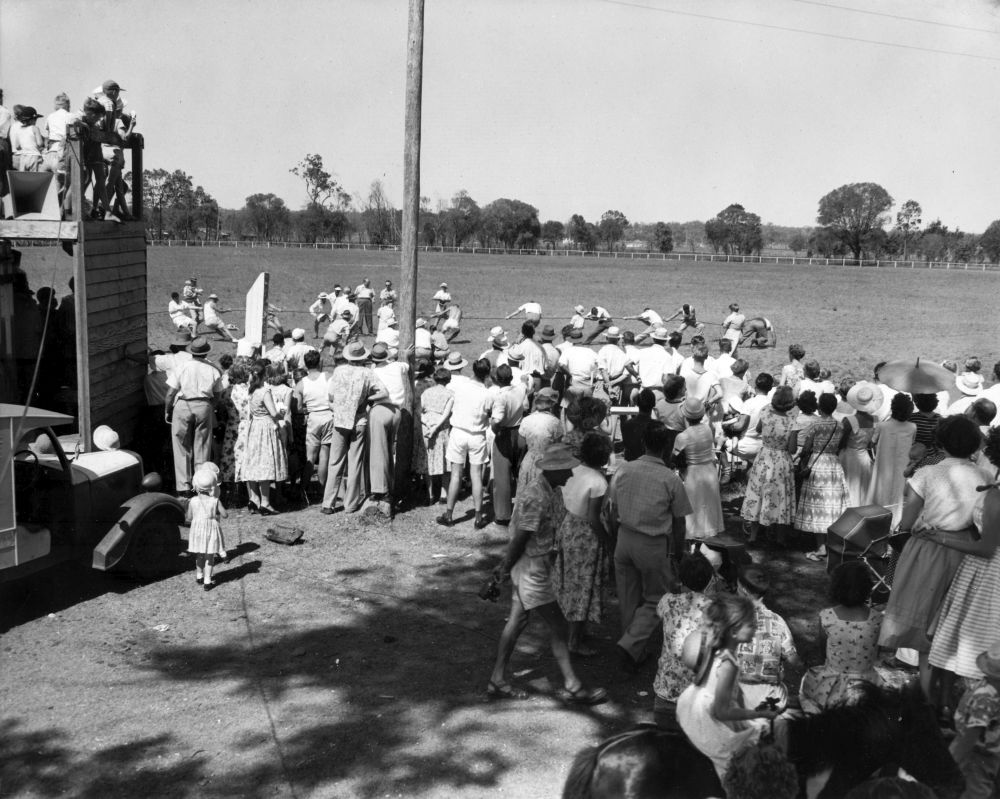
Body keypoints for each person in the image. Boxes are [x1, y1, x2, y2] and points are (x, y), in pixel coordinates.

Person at [487, 443, 608, 705]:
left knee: (518, 621)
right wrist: (505, 568)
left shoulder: (550, 490)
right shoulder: (537, 496)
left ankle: (497, 679)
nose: (570, 474)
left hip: (533, 564)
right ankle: (573, 685)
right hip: (532, 568)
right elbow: (521, 537)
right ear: (554, 471)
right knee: (559, 625)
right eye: (567, 470)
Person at [880, 415, 988, 702]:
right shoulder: (985, 477)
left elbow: (907, 522)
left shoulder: (927, 474)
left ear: (941, 442)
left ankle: (928, 699)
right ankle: (944, 698)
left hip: (929, 547)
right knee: (951, 625)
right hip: (968, 551)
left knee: (926, 624)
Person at [607, 421, 692, 671]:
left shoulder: (624, 470)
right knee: (658, 598)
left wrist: (615, 538)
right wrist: (678, 551)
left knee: (627, 595)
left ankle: (632, 645)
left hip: (624, 538)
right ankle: (631, 644)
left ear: (644, 443)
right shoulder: (670, 479)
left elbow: (612, 511)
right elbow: (679, 522)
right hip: (652, 544)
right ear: (666, 447)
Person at [928, 428, 1000, 708]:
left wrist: (939, 537)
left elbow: (986, 548)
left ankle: (957, 709)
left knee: (964, 641)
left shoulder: (996, 496)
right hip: (983, 570)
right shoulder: (992, 489)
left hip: (987, 573)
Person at [676, 593, 778, 781]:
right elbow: (721, 712)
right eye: (751, 625)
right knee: (739, 770)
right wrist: (757, 715)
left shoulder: (715, 648)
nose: (756, 628)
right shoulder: (728, 664)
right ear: (733, 631)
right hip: (709, 719)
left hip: (693, 704)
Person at [555, 432, 612, 656]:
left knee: (570, 582)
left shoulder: (574, 470)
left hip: (568, 527)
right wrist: (608, 541)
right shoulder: (598, 481)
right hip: (586, 536)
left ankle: (576, 632)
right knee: (583, 586)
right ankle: (574, 640)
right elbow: (593, 517)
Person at [800, 562, 884, 713]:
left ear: (836, 587)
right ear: (867, 588)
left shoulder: (827, 617)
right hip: (867, 684)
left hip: (832, 683)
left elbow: (823, 652)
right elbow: (877, 652)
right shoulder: (877, 619)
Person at [322, 341, 388, 514]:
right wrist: (368, 398)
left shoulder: (338, 371)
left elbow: (330, 395)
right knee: (355, 462)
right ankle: (350, 504)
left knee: (335, 462)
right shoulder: (367, 373)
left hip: (340, 420)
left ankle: (327, 503)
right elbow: (384, 392)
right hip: (359, 421)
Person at [653, 552, 717, 731]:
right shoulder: (714, 610)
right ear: (710, 580)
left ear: (680, 578)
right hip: (696, 698)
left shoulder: (667, 600)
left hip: (665, 692)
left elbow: (660, 614)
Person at [735, 566, 801, 713]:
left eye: (737, 586)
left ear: (744, 590)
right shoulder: (778, 622)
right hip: (769, 698)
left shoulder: (732, 620)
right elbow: (793, 660)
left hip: (737, 695)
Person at [437, 357, 493, 529]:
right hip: (477, 435)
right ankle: (478, 516)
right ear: (487, 373)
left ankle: (449, 514)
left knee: (455, 474)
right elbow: (489, 413)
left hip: (459, 433)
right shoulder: (487, 393)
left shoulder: (460, 387)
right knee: (476, 475)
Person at [793, 392, 850, 561]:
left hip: (817, 464)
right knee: (831, 503)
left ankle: (820, 547)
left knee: (817, 505)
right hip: (833, 464)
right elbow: (840, 445)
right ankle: (830, 543)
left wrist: (801, 457)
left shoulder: (816, 424)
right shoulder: (840, 425)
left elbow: (807, 447)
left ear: (819, 406)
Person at [164, 337, 223, 496]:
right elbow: (218, 393)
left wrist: (168, 410)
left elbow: (170, 393)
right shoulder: (213, 369)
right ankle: (201, 484)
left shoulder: (182, 367)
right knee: (202, 446)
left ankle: (183, 487)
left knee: (181, 446)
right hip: (204, 405)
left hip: (183, 405)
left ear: (192, 352)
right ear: (206, 353)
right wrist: (211, 407)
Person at [741, 386, 797, 545]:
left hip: (764, 457)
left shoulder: (765, 414)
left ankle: (753, 534)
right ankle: (780, 538)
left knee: (758, 492)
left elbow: (758, 429)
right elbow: (792, 449)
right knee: (780, 495)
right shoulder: (792, 421)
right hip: (781, 460)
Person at [948, 643, 1000, 799]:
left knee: (974, 790)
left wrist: (954, 758)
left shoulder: (985, 696)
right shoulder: (989, 694)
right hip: (982, 750)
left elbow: (972, 734)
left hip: (976, 753)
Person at [672, 397, 724, 540]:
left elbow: (676, 459)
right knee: (708, 505)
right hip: (709, 471)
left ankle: (693, 540)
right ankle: (709, 537)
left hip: (693, 474)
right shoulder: (707, 429)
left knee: (694, 507)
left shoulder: (682, 436)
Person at [369, 342, 411, 513]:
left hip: (380, 409)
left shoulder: (373, 372)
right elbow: (406, 365)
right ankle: (390, 486)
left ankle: (380, 490)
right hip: (396, 411)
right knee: (390, 450)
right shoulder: (398, 366)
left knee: (378, 452)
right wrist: (405, 355)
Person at [242, 360, 288, 515]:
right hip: (266, 427)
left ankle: (254, 499)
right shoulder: (264, 391)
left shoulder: (252, 390)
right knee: (265, 463)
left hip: (255, 426)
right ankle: (265, 502)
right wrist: (281, 412)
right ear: (265, 375)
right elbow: (273, 412)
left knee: (254, 461)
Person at [867, 393, 917, 525]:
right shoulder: (912, 427)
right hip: (902, 467)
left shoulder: (883, 426)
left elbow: (872, 443)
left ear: (893, 408)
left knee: (880, 492)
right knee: (897, 494)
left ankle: (877, 522)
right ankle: (894, 523)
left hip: (883, 466)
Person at [490, 363, 528, 526]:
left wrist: (494, 427)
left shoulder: (500, 397)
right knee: (520, 472)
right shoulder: (520, 389)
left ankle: (503, 515)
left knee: (502, 476)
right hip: (519, 431)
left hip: (504, 433)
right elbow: (526, 401)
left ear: (497, 380)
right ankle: (524, 508)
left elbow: (497, 419)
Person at [293, 350, 330, 500]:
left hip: (313, 417)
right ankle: (323, 489)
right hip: (328, 415)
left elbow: (298, 407)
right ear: (319, 362)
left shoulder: (301, 384)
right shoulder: (327, 377)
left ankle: (303, 488)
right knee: (324, 455)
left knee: (310, 456)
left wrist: (308, 408)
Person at [840, 381, 881, 507]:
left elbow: (842, 442)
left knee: (849, 485)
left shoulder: (849, 420)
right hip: (865, 457)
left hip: (849, 456)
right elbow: (872, 442)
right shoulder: (875, 420)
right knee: (863, 487)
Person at [186, 469, 228, 592]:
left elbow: (188, 518)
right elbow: (225, 515)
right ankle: (207, 581)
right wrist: (215, 515)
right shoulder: (215, 500)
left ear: (196, 487)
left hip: (198, 530)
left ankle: (199, 575)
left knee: (199, 554)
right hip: (211, 529)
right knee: (210, 556)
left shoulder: (192, 501)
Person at [419, 366, 455, 504]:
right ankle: (443, 493)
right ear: (448, 380)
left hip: (426, 425)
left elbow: (419, 410)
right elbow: (446, 414)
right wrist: (435, 428)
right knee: (444, 459)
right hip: (441, 428)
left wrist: (427, 424)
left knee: (427, 459)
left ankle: (429, 494)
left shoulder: (426, 392)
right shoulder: (451, 394)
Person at [516, 387, 563, 493]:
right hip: (547, 462)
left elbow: (520, 444)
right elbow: (558, 447)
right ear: (552, 404)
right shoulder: (555, 422)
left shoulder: (526, 420)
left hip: (529, 461)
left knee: (526, 494)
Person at [621, 388, 655, 462]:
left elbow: (627, 447)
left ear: (638, 403)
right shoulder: (656, 427)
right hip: (648, 465)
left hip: (631, 464)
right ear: (654, 404)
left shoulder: (627, 425)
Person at [10, 105, 44, 171]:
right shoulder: (35, 128)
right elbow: (40, 144)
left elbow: (17, 146)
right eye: (35, 119)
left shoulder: (19, 129)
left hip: (23, 157)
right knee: (33, 178)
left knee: (23, 178)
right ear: (32, 119)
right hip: (34, 156)